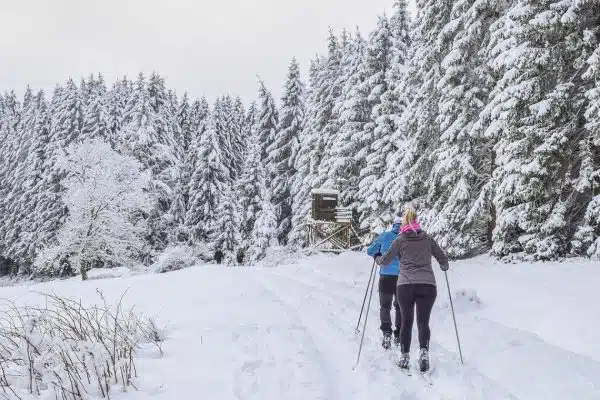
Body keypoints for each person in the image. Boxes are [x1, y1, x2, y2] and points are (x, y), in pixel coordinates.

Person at [375, 205, 449, 373]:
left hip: (405, 286)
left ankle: (405, 356)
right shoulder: (428, 239)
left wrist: (378, 259)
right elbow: (443, 259)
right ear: (416, 221)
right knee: (423, 322)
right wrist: (444, 266)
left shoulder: (400, 240)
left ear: (404, 222)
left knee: (407, 322)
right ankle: (423, 352)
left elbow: (386, 260)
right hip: (427, 285)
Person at [366, 216, 403, 350]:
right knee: (400, 307)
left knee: (385, 306)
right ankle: (399, 335)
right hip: (402, 278)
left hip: (386, 276)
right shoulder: (407, 238)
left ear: (393, 225)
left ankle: (387, 333)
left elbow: (370, 250)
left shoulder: (385, 235)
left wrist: (377, 255)